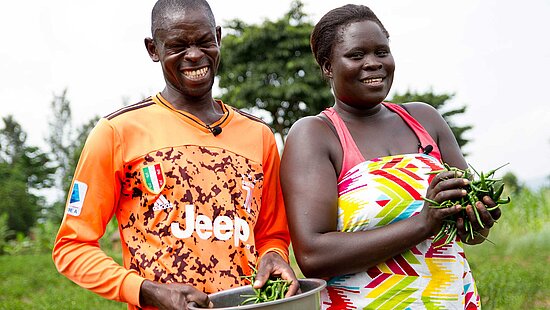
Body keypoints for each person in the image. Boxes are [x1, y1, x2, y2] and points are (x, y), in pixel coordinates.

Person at [52, 0, 299, 309]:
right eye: (178, 46)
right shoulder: (117, 132)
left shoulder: (259, 135)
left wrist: (274, 256)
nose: (194, 55)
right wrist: (146, 290)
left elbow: (271, 234)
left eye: (204, 42)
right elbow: (71, 246)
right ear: (153, 49)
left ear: (218, 38)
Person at [280, 4, 501, 309]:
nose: (373, 63)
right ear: (328, 67)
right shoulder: (315, 134)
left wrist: (478, 218)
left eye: (381, 52)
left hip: (450, 299)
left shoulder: (426, 119)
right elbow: (313, 256)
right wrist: (422, 223)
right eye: (356, 55)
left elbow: (468, 233)